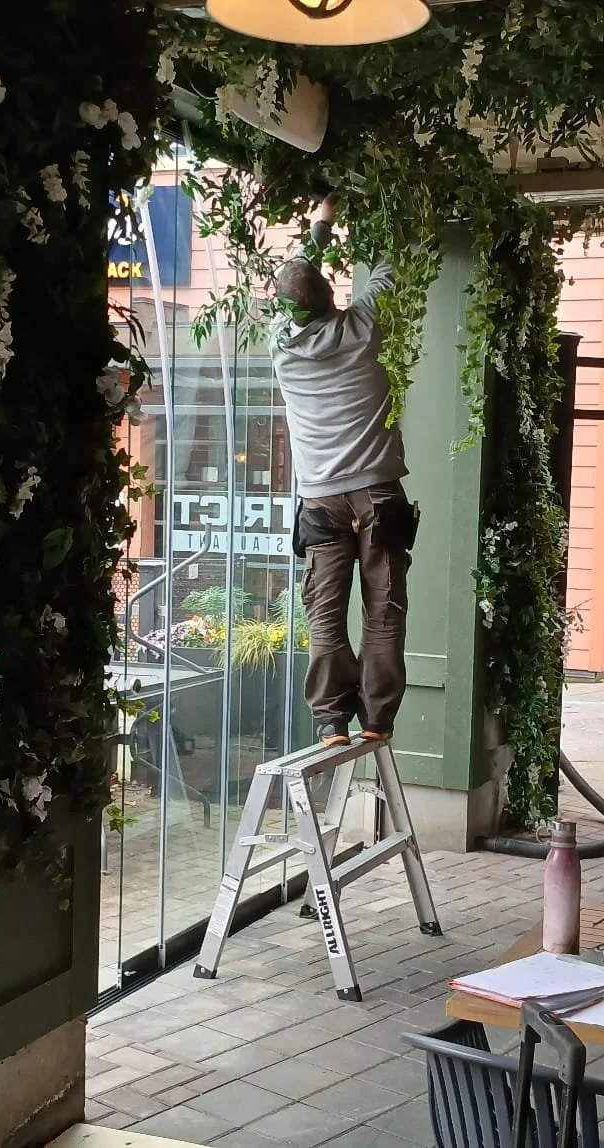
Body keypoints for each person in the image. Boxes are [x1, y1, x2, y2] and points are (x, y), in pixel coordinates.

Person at [271, 193, 418, 748]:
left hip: (321, 502)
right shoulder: (365, 325)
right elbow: (387, 264)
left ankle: (332, 719)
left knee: (325, 614)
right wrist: (359, 207)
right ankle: (377, 718)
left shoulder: (280, 345)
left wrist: (317, 226)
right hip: (378, 495)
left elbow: (294, 281)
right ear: (335, 296)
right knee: (383, 612)